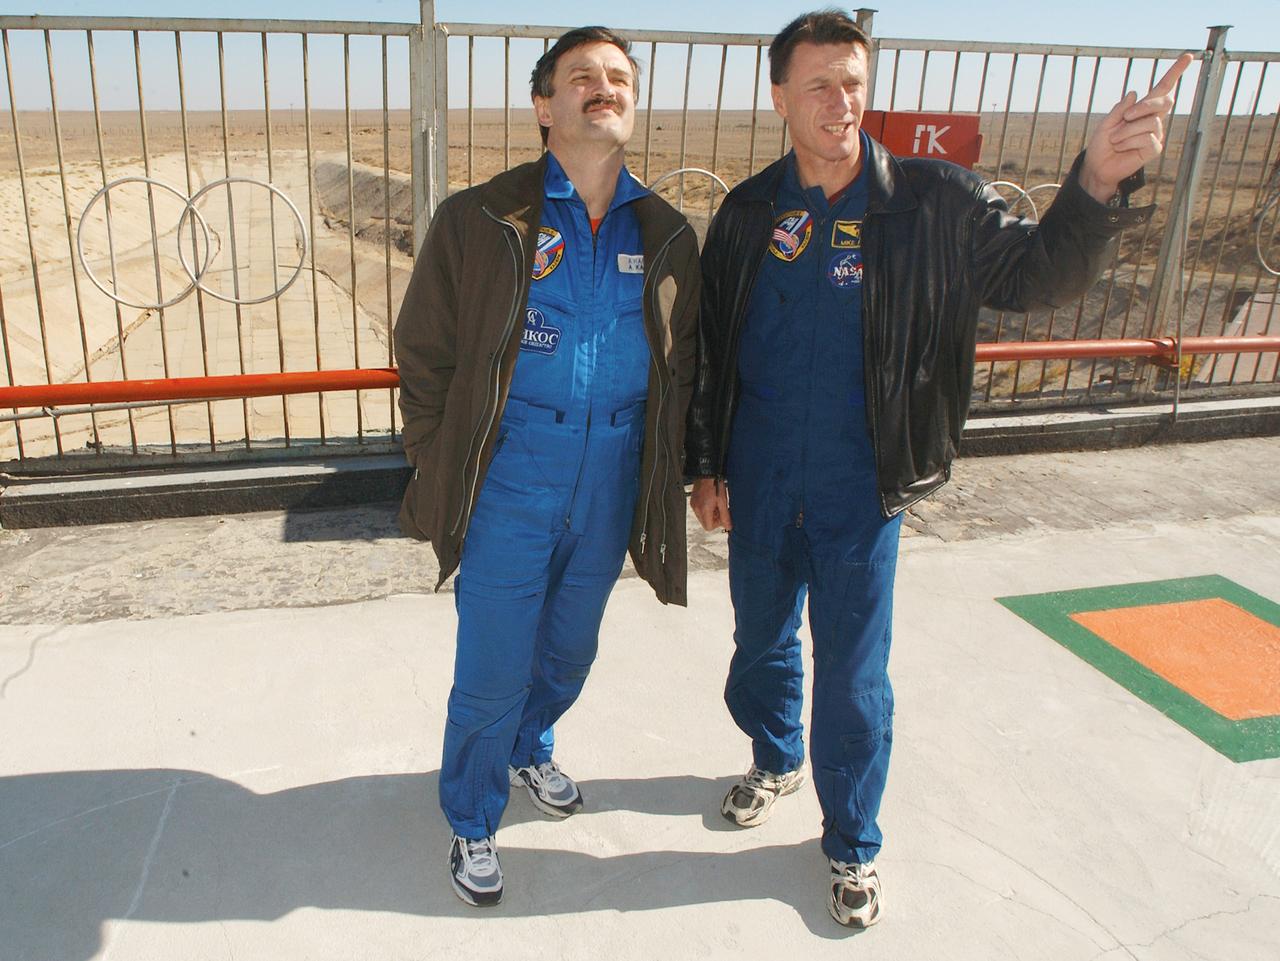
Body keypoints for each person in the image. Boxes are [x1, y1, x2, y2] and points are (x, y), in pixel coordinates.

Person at [684, 10, 1191, 929]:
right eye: (819, 85)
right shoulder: (749, 212)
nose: (841, 102)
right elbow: (715, 346)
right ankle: (774, 755)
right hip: (759, 479)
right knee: (759, 643)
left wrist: (1096, 184)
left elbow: (1036, 276)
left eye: (853, 82)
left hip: (863, 484)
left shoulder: (934, 202)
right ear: (779, 97)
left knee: (853, 675)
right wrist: (707, 465)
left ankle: (851, 840)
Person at [394, 26, 700, 907]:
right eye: (581, 77)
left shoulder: (668, 232)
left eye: (619, 77)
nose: (605, 88)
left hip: (612, 472)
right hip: (513, 472)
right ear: (543, 105)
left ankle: (530, 745)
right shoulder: (484, 218)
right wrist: (437, 456)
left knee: (569, 648)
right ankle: (472, 815)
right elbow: (424, 351)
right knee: (493, 662)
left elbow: (690, 365)